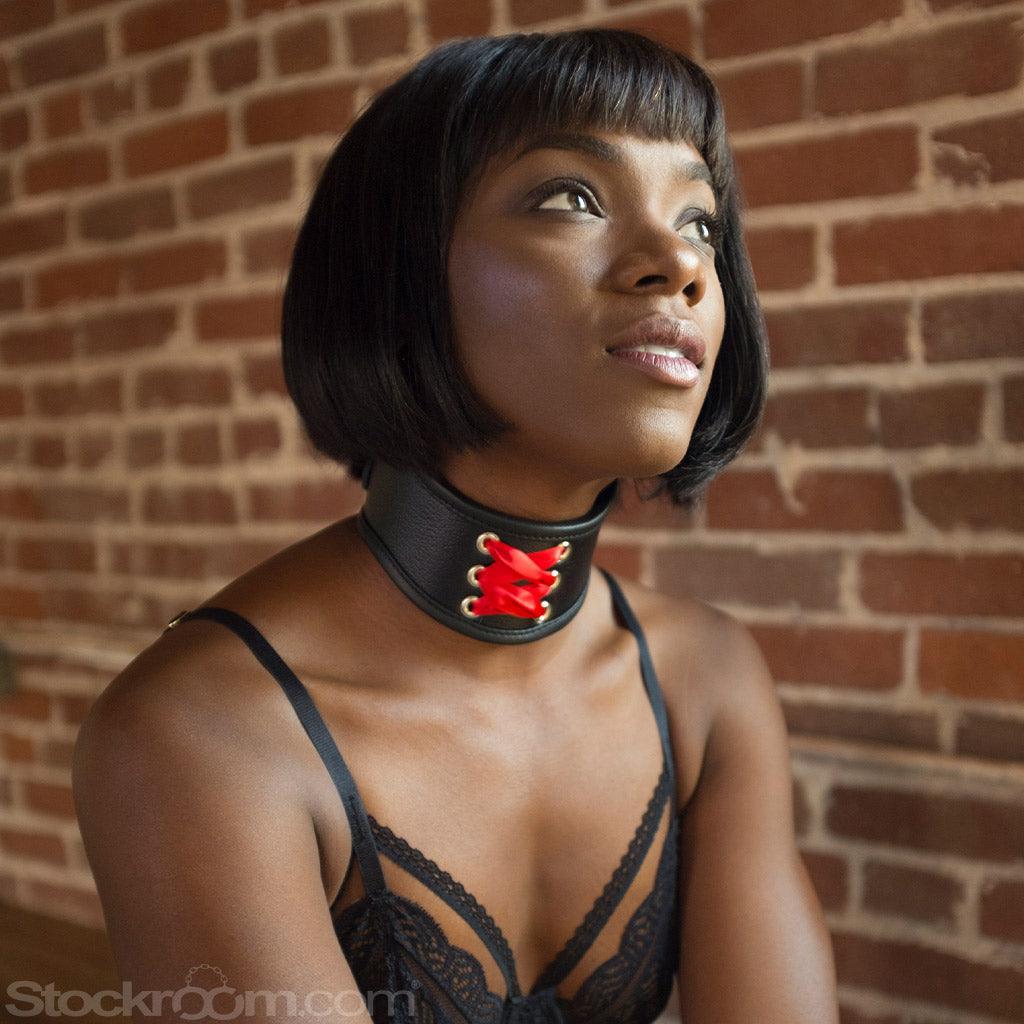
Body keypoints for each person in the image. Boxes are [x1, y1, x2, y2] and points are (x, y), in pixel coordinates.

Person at [72, 27, 841, 1024]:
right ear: (401, 268)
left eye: (698, 218)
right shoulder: (198, 736)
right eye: (572, 197)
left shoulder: (708, 680)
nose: (677, 265)